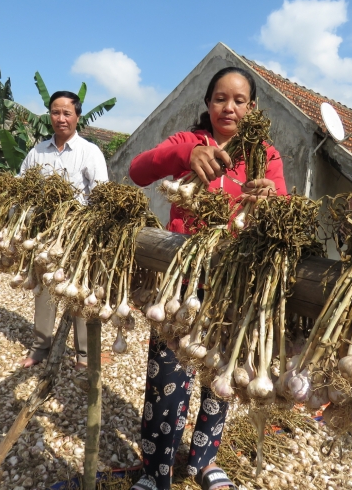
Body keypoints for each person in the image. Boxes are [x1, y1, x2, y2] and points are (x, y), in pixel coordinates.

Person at [128, 67, 287, 490]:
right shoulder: (189, 142)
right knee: (168, 373)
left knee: (221, 374)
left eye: (239, 100)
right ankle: (155, 468)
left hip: (235, 282)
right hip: (182, 281)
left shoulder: (266, 156)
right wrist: (184, 158)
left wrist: (270, 199)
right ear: (207, 104)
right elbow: (138, 171)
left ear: (252, 108)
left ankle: (204, 460)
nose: (229, 107)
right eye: (220, 98)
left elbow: (284, 210)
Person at [0, 91, 108, 370]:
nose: (61, 118)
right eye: (55, 112)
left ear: (77, 117)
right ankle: (40, 348)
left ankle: (84, 355)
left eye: (67, 113)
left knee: (79, 293)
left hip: (76, 234)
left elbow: (100, 196)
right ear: (50, 115)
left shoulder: (90, 152)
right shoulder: (37, 151)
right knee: (45, 291)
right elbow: (21, 187)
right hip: (44, 233)